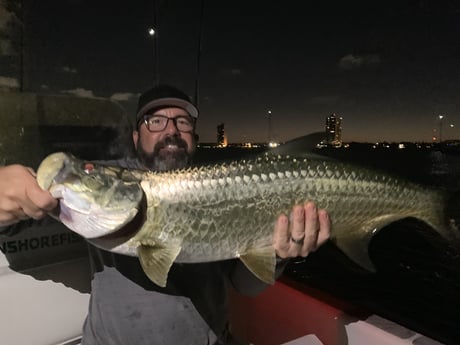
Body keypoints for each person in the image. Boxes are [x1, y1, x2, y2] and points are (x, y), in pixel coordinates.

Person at [0, 84, 330, 345]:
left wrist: (280, 254)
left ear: (194, 137)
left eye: (182, 121)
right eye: (155, 121)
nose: (170, 130)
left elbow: (244, 286)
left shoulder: (220, 186)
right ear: (135, 136)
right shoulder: (106, 180)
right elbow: (17, 218)